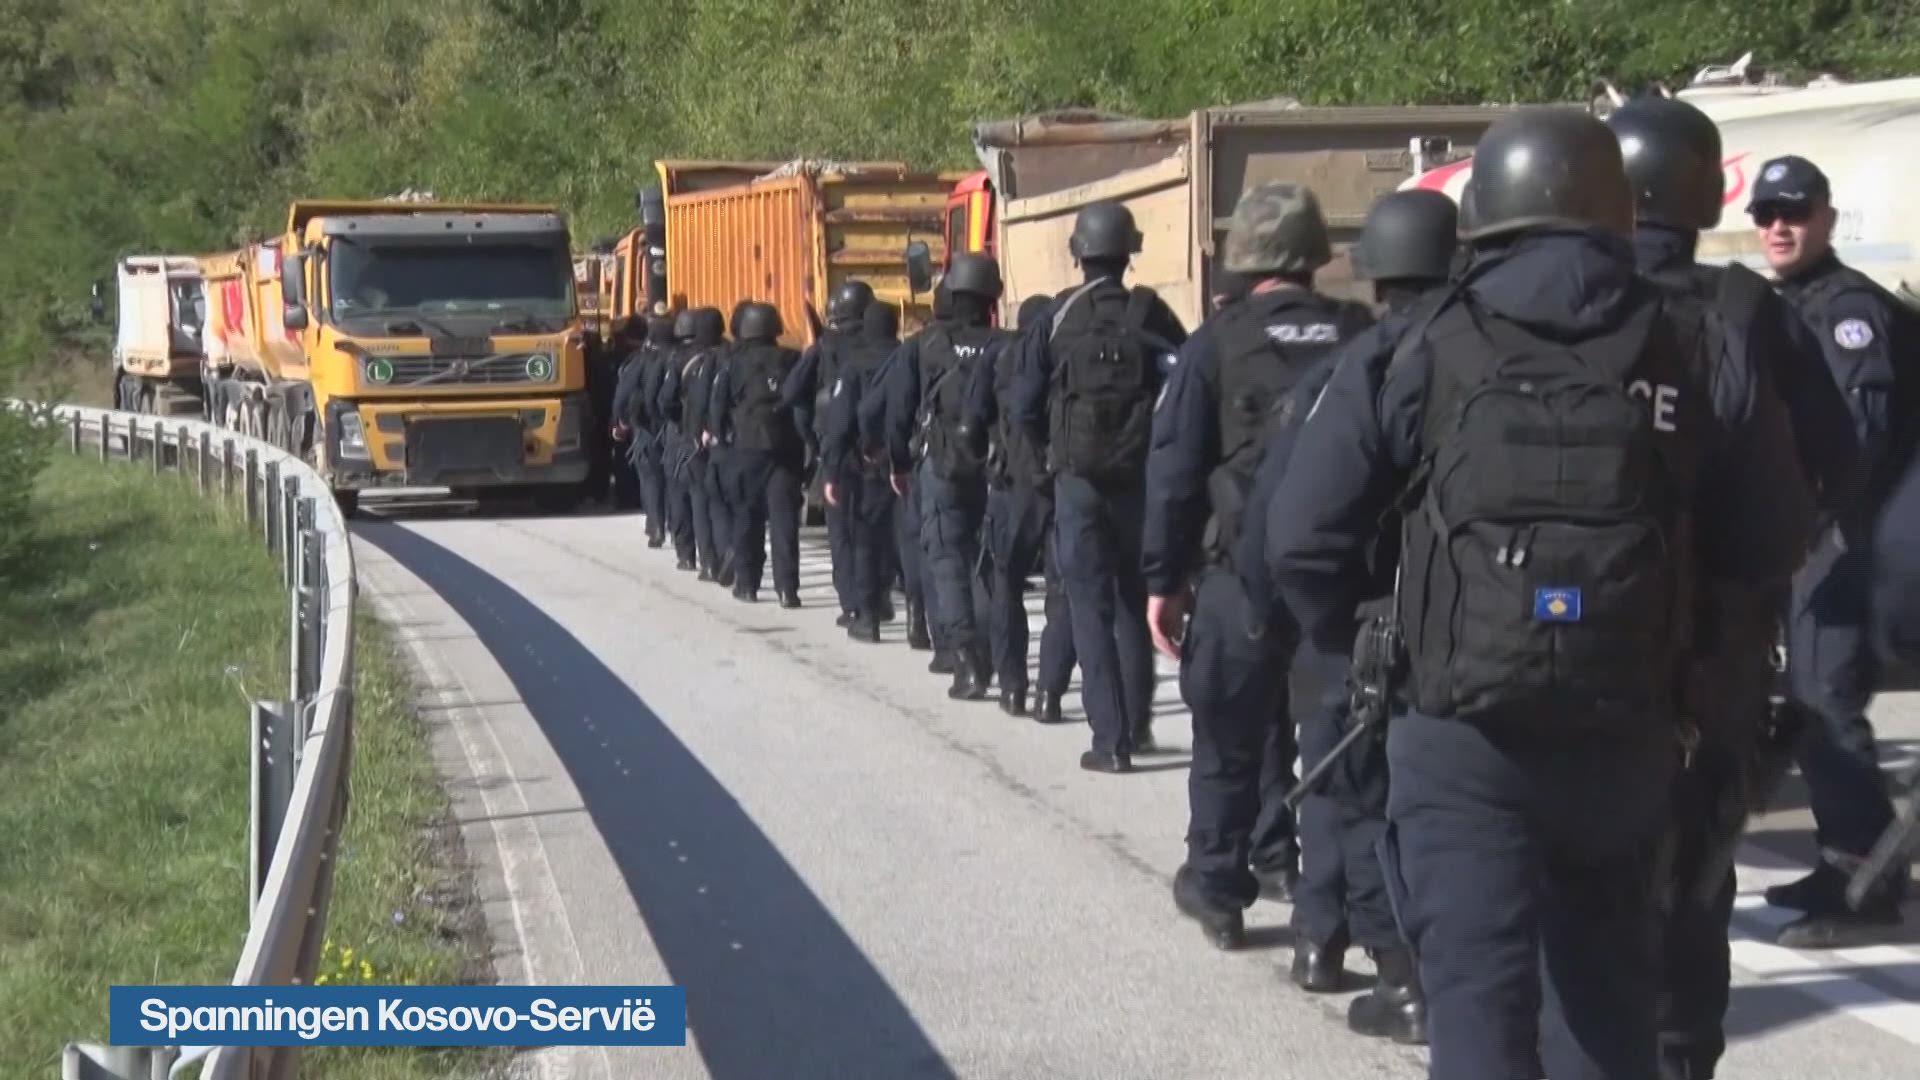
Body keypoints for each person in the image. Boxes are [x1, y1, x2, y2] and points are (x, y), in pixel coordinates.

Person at [1268, 107, 1813, 1080]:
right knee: (1608, 1011)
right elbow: (1772, 537)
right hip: (1630, 733)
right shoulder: (1696, 342)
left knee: (1476, 1008)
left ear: (1484, 210)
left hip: (1459, 738)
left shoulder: (1419, 341)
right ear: (1617, 207)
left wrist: (1376, 635)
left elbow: (1304, 534)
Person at [1600, 95, 1852, 1077]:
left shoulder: (1547, 300)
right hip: (1712, 654)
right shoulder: (1748, 310)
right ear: (1708, 192)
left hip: (1566, 649)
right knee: (1694, 886)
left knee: (1572, 883)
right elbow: (1829, 462)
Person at [1141, 181, 1374, 957]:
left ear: (1244, 252)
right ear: (1314, 255)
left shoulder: (1215, 343)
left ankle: (1218, 888)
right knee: (1338, 755)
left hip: (1235, 581)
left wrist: (1162, 579)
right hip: (1340, 589)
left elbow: (1174, 469)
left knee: (1228, 745)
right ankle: (1324, 926)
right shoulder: (1361, 335)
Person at [1747, 153, 1917, 945]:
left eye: (1796, 210)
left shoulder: (1847, 309)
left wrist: (1806, 523)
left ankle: (1866, 885)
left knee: (1823, 695)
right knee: (1814, 698)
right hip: (1835, 532)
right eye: (1765, 212)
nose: (1779, 225)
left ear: (1826, 217)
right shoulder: (1796, 303)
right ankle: (1845, 857)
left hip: (1858, 537)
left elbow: (1861, 434)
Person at [1014, 200, 1188, 773]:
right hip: (1138, 481)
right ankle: (1138, 724)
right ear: (1129, 252)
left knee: (1088, 605)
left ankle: (1109, 739)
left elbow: (1024, 402)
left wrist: (1049, 458)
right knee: (1137, 602)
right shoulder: (1151, 312)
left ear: (1079, 254)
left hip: (1078, 481)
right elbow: (1185, 381)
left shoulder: (1059, 317)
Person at [883, 253, 1007, 699]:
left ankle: (966, 660)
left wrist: (897, 463)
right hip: (998, 472)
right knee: (988, 562)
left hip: (943, 467)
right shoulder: (1007, 344)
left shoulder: (924, 346)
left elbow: (897, 412)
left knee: (947, 560)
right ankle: (995, 653)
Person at [970, 293, 1078, 718]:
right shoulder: (1067, 354)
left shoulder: (1001, 356)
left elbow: (973, 418)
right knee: (1062, 592)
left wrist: (989, 459)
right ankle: (1049, 694)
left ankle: (1012, 686)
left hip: (1013, 487)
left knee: (1005, 585)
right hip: (1062, 483)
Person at [788, 281, 877, 625]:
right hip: (877, 450)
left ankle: (852, 603)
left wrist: (811, 438)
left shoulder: (824, 348)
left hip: (835, 449)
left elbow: (794, 392)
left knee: (841, 532)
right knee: (876, 528)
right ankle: (878, 595)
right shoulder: (884, 345)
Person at [710, 301, 805, 606]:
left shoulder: (732, 363)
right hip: (785, 447)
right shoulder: (792, 359)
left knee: (746, 517)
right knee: (784, 520)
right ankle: (788, 589)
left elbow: (717, 407)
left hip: (746, 447)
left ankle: (748, 583)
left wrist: (721, 441)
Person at [822, 302, 904, 642]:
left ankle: (868, 615)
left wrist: (831, 470)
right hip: (909, 462)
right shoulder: (909, 356)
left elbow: (840, 422)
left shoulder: (854, 364)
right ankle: (921, 627)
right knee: (906, 543)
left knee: (866, 539)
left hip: (869, 462)